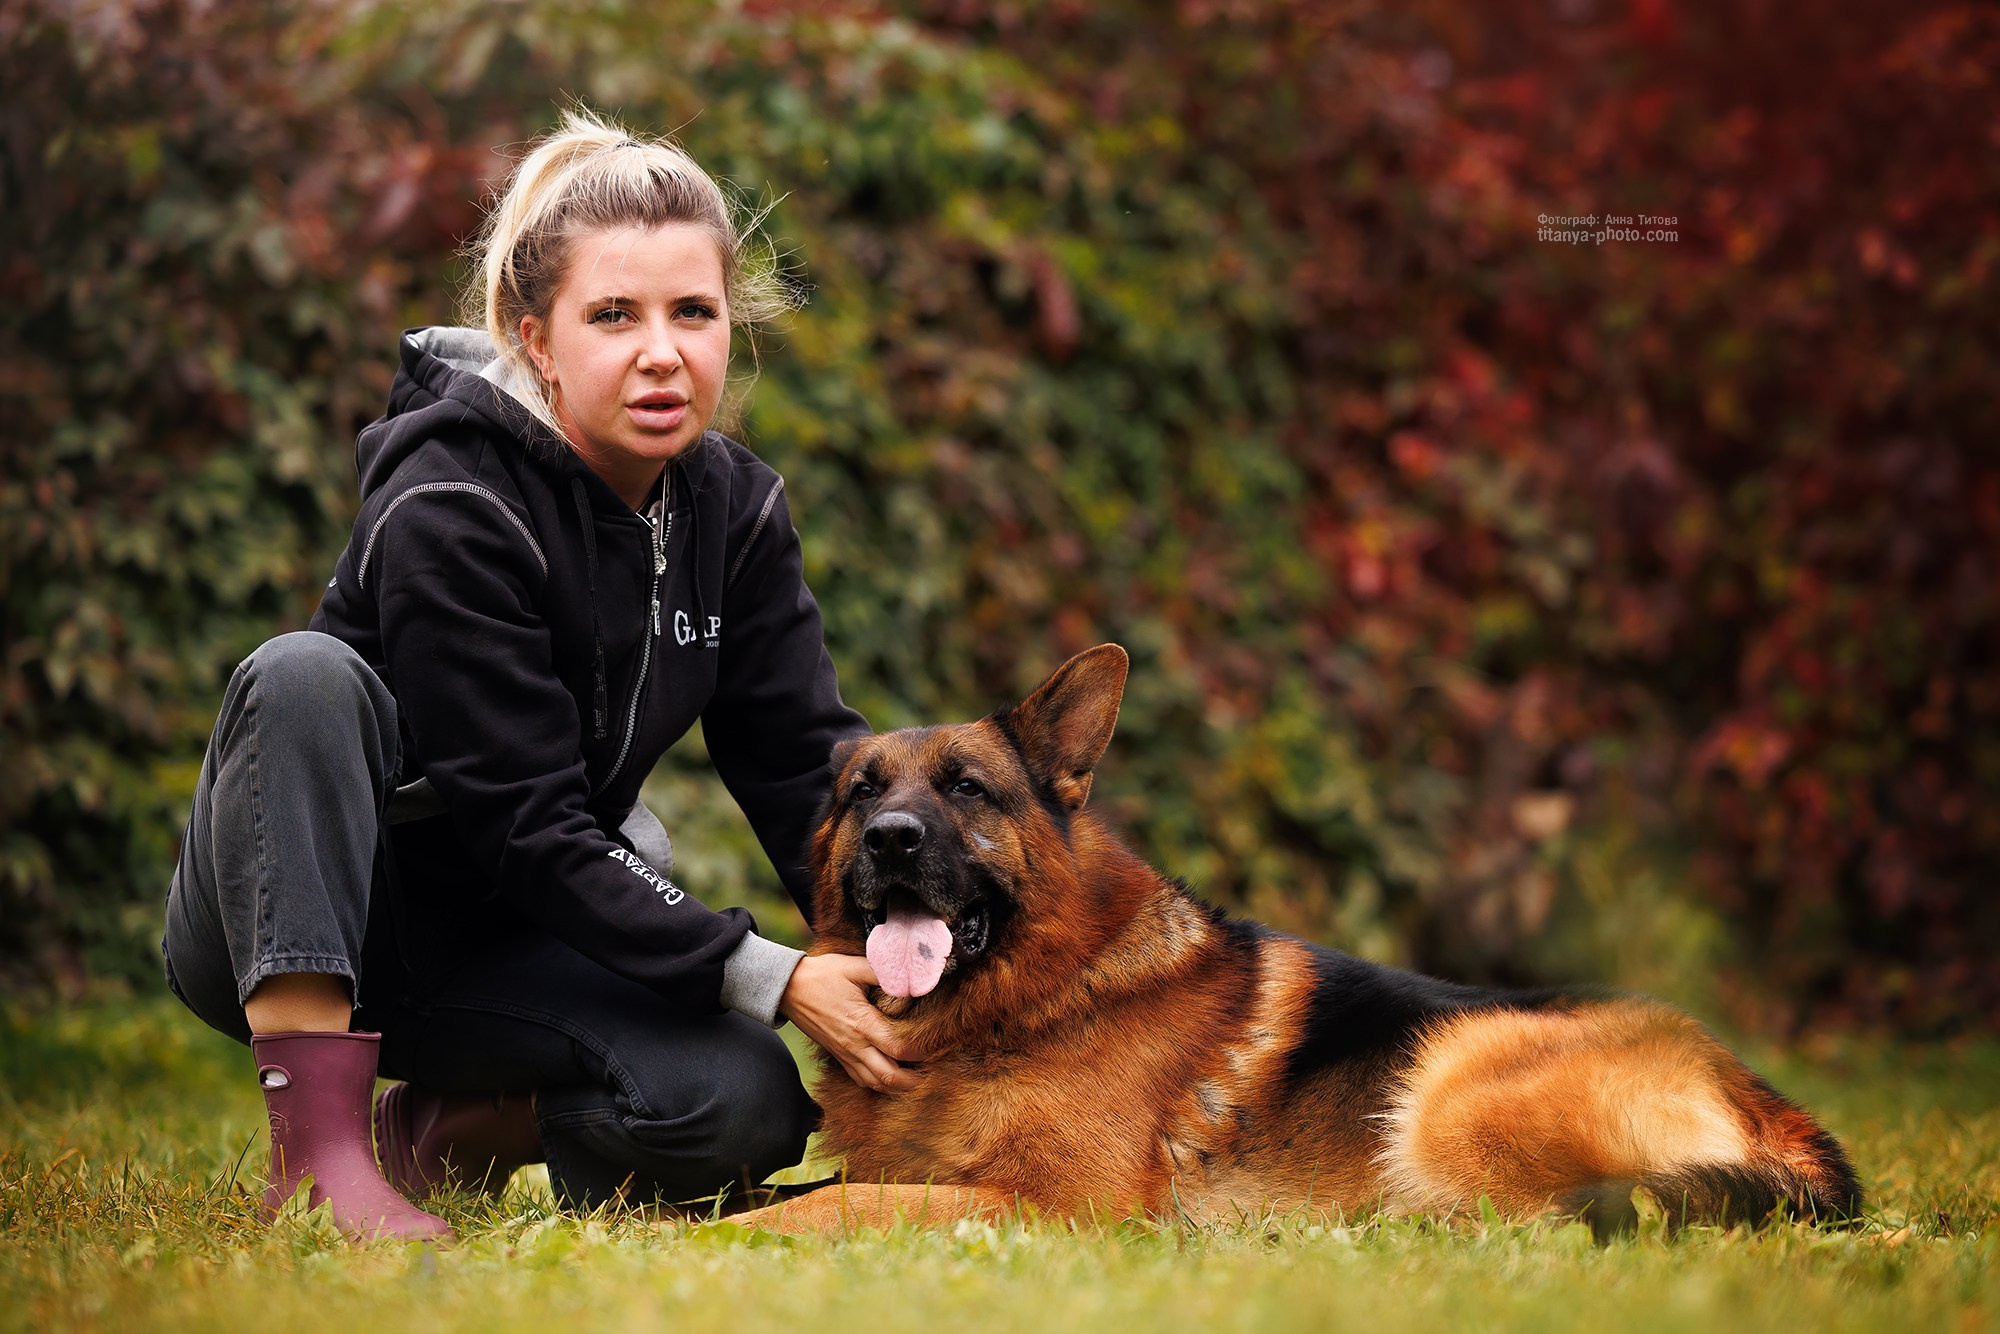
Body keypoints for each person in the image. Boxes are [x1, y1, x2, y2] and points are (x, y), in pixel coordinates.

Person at [160, 109, 919, 1242]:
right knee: (304, 674)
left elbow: (802, 762)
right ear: (536, 336)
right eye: (612, 314)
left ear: (730, 328)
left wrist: (894, 942)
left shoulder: (734, 508)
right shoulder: (448, 504)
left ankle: (450, 1129)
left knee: (744, 1100)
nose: (660, 350)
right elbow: (527, 823)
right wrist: (764, 967)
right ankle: (315, 1158)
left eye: (692, 312)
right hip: (310, 923)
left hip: (518, 938)